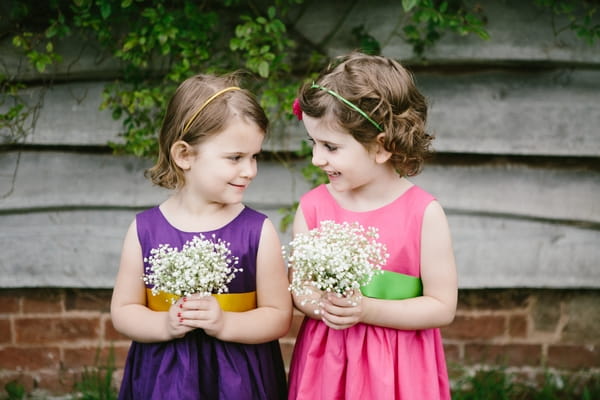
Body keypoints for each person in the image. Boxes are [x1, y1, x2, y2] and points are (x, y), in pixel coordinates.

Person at [111, 73, 292, 400]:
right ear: (184, 156)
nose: (250, 170)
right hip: (163, 378)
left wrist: (225, 324)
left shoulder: (257, 232)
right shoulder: (145, 230)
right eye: (235, 158)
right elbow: (124, 310)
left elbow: (278, 317)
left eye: (255, 156)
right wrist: (164, 325)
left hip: (239, 379)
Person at [287, 52, 458, 400]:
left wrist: (367, 310)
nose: (317, 159)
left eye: (330, 147)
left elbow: (442, 306)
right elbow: (300, 288)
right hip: (328, 363)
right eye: (314, 144)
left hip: (399, 370)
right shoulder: (314, 207)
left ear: (381, 148)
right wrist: (322, 305)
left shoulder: (423, 213)